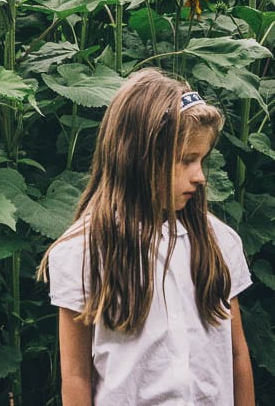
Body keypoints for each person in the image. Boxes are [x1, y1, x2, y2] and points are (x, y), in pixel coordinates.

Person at [38, 69, 255, 405]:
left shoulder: (220, 241)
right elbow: (76, 377)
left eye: (202, 160)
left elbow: (238, 355)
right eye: (186, 160)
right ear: (139, 157)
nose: (200, 176)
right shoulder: (81, 252)